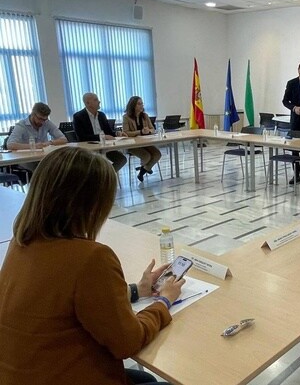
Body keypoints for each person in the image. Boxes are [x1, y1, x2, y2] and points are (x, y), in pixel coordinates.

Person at [0, 147, 184, 385]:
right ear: (91, 205)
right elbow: (128, 342)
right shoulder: (91, 258)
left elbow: (71, 301)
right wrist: (164, 302)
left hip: (26, 374)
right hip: (65, 376)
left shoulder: (21, 242)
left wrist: (138, 290)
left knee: (142, 377)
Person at [72, 92, 127, 172]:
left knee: (122, 160)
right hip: (89, 149)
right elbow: (81, 137)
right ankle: (102, 177)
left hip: (105, 146)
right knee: (97, 165)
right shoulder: (78, 116)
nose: (99, 101)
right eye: (96, 100)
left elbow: (109, 132)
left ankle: (106, 176)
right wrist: (102, 137)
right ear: (88, 103)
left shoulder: (101, 115)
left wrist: (117, 133)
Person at [6, 102, 68, 171]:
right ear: (33, 114)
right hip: (26, 159)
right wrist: (34, 146)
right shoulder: (22, 125)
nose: (42, 122)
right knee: (44, 168)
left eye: (44, 119)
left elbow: (64, 139)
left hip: (43, 157)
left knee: (62, 164)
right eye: (40, 118)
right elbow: (10, 145)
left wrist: (50, 142)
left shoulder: (47, 123)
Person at [122, 96, 162, 182]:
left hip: (145, 142)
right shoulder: (126, 117)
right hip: (133, 144)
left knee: (157, 154)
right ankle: (147, 168)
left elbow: (153, 129)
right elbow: (126, 133)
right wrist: (140, 132)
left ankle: (144, 170)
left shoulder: (145, 116)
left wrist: (148, 131)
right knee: (147, 156)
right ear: (133, 105)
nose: (141, 106)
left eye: (142, 104)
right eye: (139, 104)